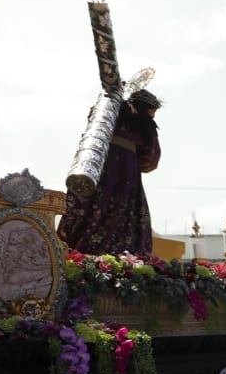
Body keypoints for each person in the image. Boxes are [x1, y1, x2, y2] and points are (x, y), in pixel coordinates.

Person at [58, 88, 162, 255]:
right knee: (122, 212)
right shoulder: (145, 123)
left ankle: (75, 252)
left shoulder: (109, 110)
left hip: (96, 164)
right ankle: (119, 260)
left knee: (89, 208)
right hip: (126, 171)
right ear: (149, 108)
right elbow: (151, 157)